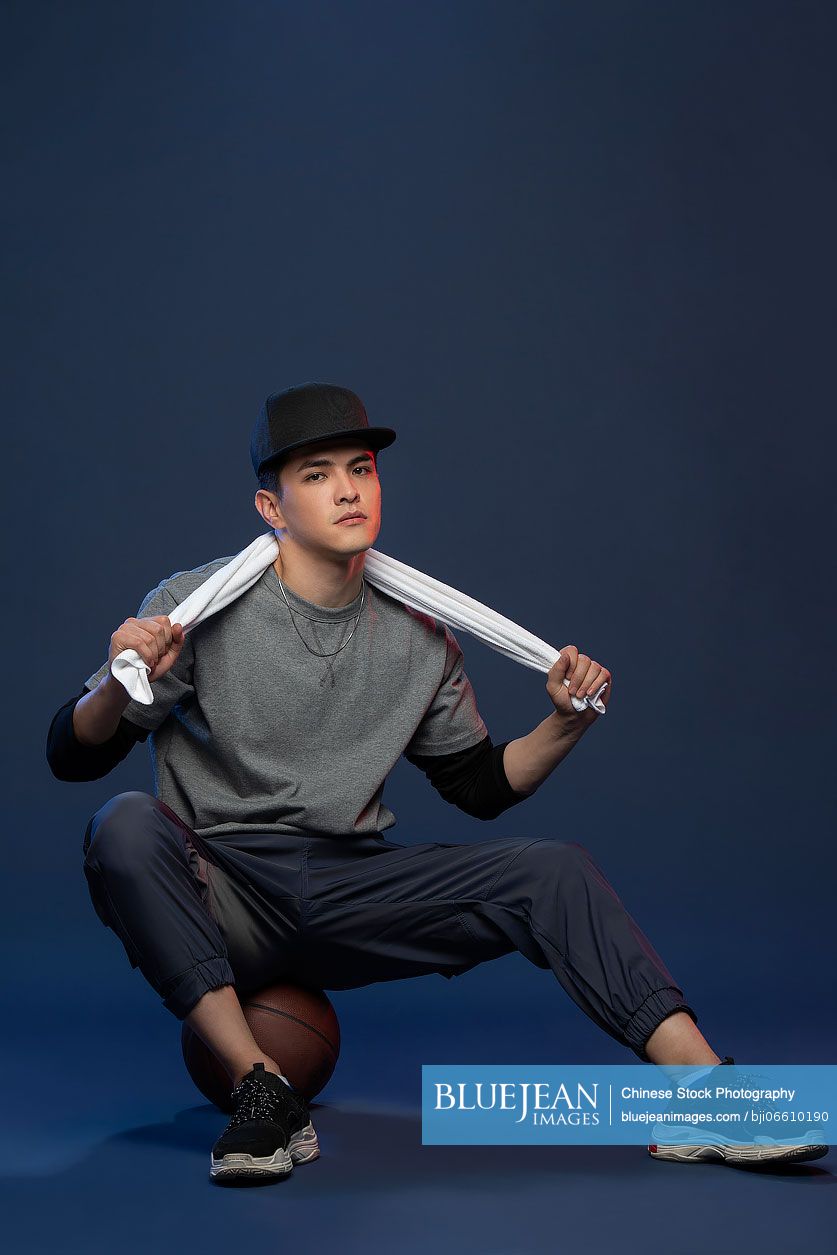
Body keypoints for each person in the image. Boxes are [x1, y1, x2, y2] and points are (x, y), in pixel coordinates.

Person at [46, 382, 828, 1183]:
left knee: (551, 869)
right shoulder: (192, 608)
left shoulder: (421, 634)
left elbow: (479, 786)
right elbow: (72, 754)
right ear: (270, 507)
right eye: (315, 474)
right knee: (123, 821)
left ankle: (705, 1095)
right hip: (224, 885)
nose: (349, 488)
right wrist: (116, 680)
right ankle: (263, 1089)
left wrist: (564, 722)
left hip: (351, 886)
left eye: (361, 468)